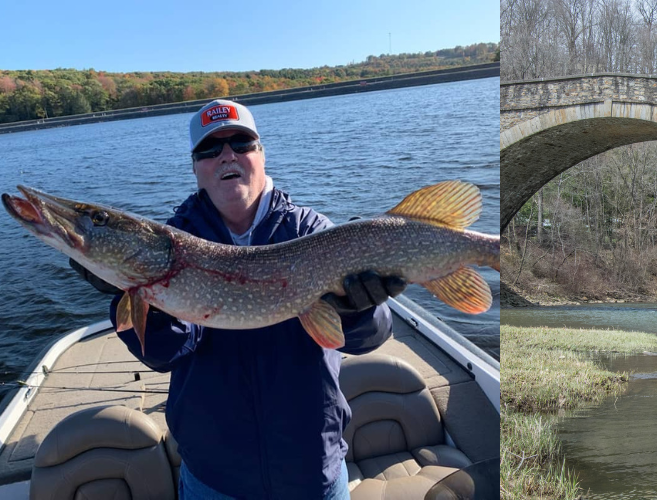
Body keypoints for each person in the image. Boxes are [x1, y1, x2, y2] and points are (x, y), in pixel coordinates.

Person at [71, 99, 406, 499]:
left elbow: (373, 335)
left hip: (313, 467)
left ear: (261, 154)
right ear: (196, 168)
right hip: (215, 477)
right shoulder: (175, 244)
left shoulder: (312, 230)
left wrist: (358, 310)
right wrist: (147, 297)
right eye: (210, 149)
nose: (227, 155)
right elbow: (162, 353)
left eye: (241, 143)